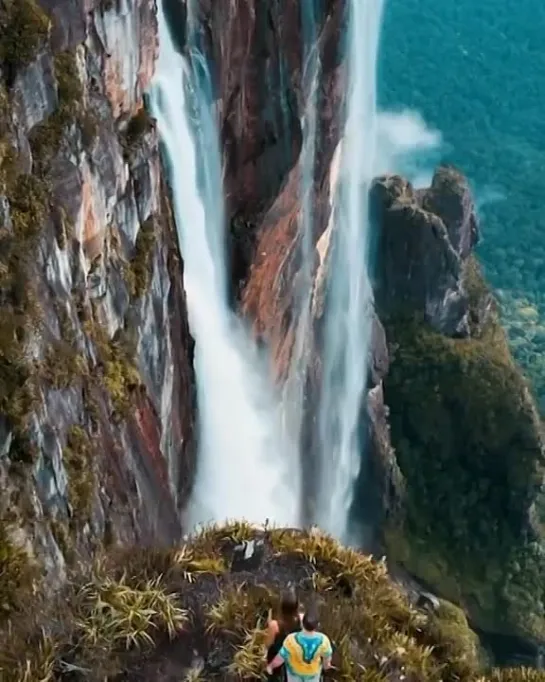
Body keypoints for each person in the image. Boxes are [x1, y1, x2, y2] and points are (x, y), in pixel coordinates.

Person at [266, 607, 332, 682]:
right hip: (313, 675)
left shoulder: (291, 639)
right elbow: (327, 657)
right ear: (317, 625)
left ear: (302, 623)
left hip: (294, 673)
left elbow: (281, 657)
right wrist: (326, 665)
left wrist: (271, 666)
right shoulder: (324, 640)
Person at [265, 587, 303, 678]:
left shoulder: (275, 626)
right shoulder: (302, 620)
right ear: (297, 608)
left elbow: (267, 646)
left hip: (280, 667)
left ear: (281, 609)